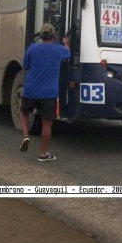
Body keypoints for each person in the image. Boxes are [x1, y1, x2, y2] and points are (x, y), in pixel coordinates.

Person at [19, 23, 70, 162]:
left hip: (30, 89)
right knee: (46, 124)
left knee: (23, 112)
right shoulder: (59, 50)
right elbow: (68, 52)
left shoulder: (32, 48)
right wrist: (66, 43)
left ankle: (25, 135)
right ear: (53, 35)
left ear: (41, 36)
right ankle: (43, 154)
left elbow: (26, 66)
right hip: (49, 93)